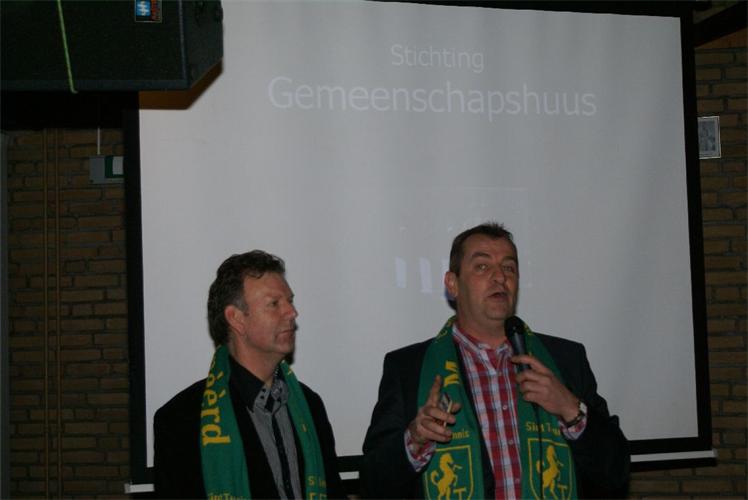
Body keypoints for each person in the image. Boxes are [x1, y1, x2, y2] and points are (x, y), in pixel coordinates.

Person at [362, 222, 629, 499]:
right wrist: (415, 439)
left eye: (509, 268)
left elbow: (616, 471)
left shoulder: (565, 360)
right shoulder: (408, 368)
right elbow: (373, 482)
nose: (500, 277)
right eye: (482, 266)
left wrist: (571, 409)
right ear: (452, 284)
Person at [154, 250, 344, 499]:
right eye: (274, 303)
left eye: (290, 301)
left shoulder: (310, 405)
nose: (292, 312)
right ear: (236, 319)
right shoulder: (181, 420)